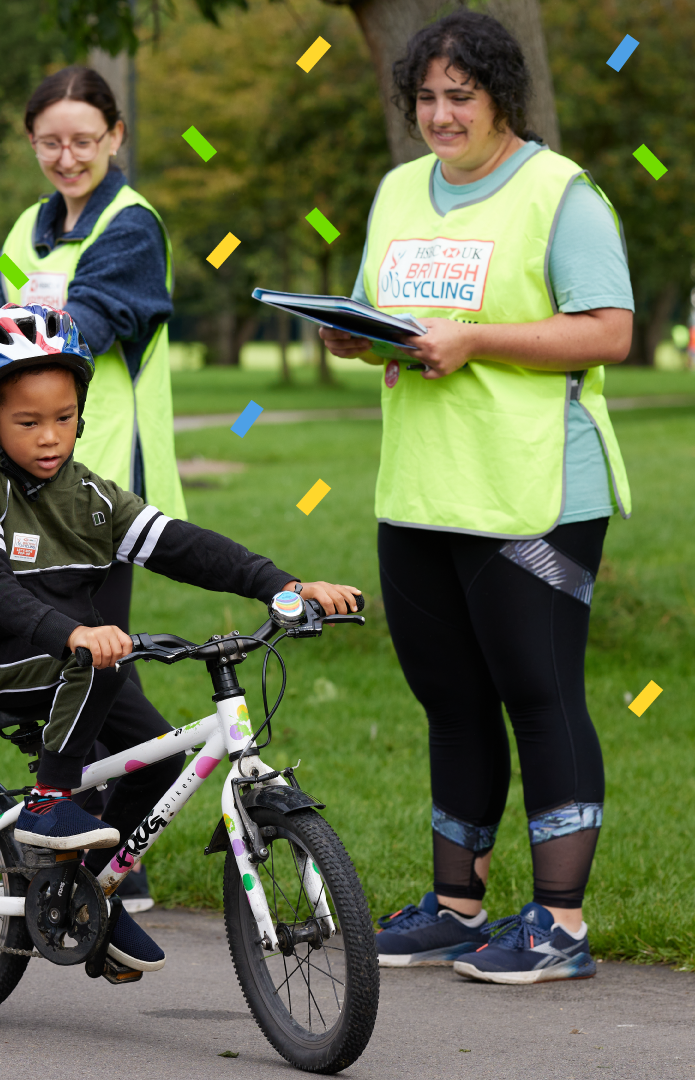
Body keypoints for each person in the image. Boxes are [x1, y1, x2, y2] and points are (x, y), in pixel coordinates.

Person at [320, 10, 633, 985]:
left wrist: (478, 339)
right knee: (448, 699)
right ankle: (458, 906)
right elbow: (391, 318)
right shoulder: (397, 190)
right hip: (420, 488)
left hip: (535, 491)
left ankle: (561, 926)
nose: (442, 115)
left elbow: (610, 331)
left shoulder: (560, 193)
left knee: (538, 696)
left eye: (462, 96)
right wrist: (352, 336)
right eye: (427, 97)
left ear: (504, 97)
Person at [0, 302, 362, 970]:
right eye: (27, 422)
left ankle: (88, 900)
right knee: (104, 658)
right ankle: (47, 807)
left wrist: (285, 586)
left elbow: (181, 546)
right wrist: (74, 632)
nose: (50, 437)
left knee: (158, 760)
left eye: (64, 418)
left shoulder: (90, 494)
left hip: (70, 654)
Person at [0, 65, 184, 909]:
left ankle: (97, 854)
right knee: (76, 658)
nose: (66, 157)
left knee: (96, 657)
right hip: (28, 485)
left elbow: (79, 332)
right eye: (50, 142)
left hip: (101, 482)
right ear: (32, 143)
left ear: (115, 138)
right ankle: (80, 842)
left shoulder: (132, 228)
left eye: (83, 141)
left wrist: (2, 363)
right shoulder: (29, 226)